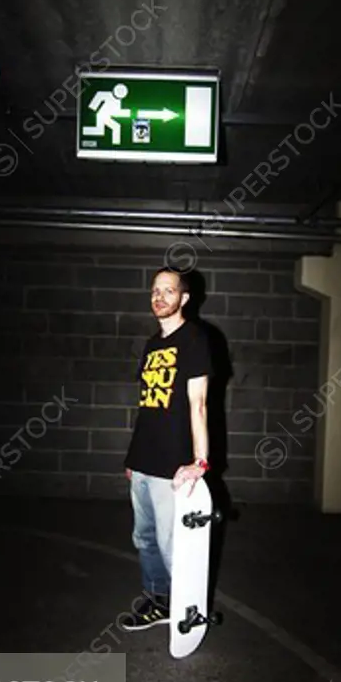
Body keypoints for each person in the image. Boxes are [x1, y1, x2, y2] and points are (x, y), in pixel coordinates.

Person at [120, 266, 213, 630]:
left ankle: (188, 608)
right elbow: (148, 405)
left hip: (172, 465)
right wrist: (133, 458)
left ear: (184, 298)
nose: (159, 297)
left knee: (173, 545)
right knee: (144, 538)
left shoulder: (195, 339)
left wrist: (199, 462)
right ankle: (158, 602)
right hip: (143, 461)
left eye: (168, 291)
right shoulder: (152, 344)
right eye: (155, 290)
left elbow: (199, 405)